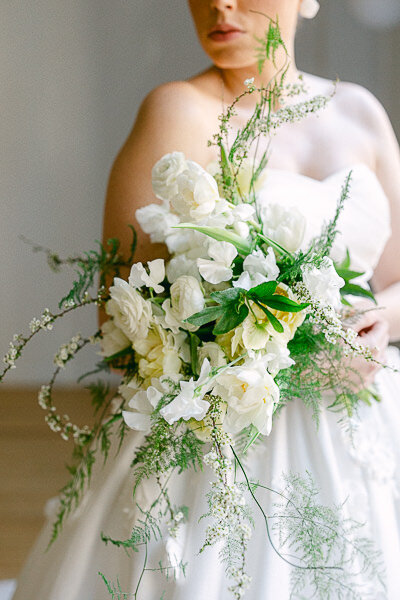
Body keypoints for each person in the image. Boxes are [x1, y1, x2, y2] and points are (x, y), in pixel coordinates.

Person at [12, 1, 400, 599]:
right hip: (222, 444)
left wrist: (380, 321)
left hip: (362, 420)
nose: (220, 3)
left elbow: (396, 279)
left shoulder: (361, 113)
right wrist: (278, 344)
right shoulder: (176, 111)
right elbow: (121, 329)